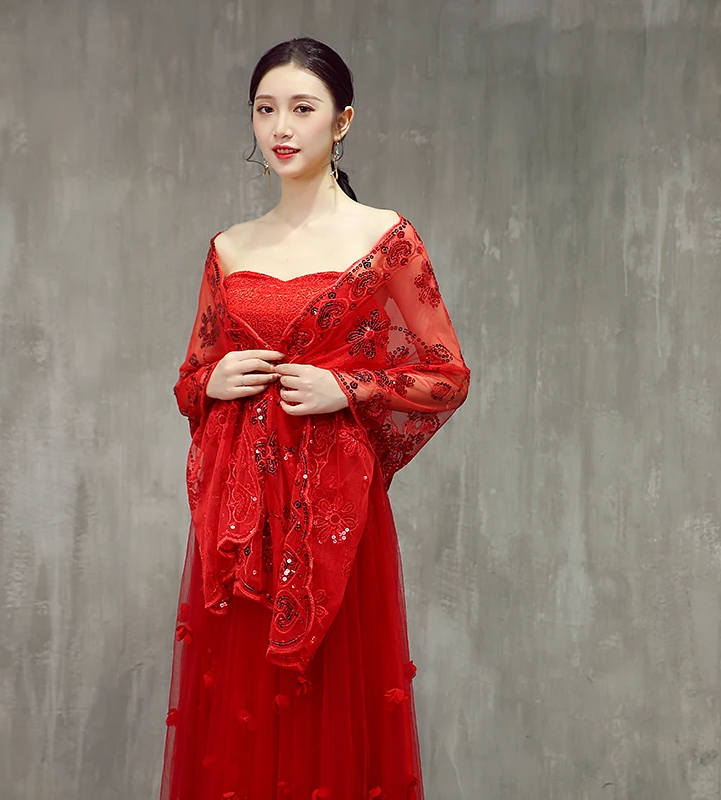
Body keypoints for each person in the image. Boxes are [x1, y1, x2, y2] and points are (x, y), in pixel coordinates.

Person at [160, 37, 470, 800]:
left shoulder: (384, 239)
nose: (281, 128)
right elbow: (190, 383)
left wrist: (349, 389)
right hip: (244, 529)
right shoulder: (229, 250)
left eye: (302, 108)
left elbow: (445, 377)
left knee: (330, 714)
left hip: (336, 520)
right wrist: (213, 379)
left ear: (343, 121)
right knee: (240, 723)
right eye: (265, 109)